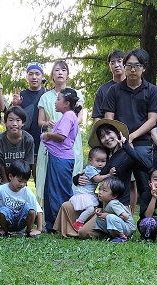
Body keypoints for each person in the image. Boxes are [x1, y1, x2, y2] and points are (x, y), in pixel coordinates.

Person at [101, 48, 157, 203]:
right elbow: (109, 120)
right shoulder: (114, 90)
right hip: (120, 143)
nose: (132, 70)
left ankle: (147, 215)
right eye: (128, 66)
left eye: (137, 65)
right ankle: (117, 213)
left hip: (142, 142)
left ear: (144, 67)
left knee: (144, 182)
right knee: (116, 179)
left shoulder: (152, 90)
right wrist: (122, 141)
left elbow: (152, 120)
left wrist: (132, 137)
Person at [36, 62, 84, 212]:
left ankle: (69, 211)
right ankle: (50, 213)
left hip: (69, 139)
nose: (60, 73)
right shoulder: (45, 97)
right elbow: (40, 121)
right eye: (56, 70)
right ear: (52, 75)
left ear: (68, 74)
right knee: (48, 175)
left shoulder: (76, 94)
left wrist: (64, 125)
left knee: (69, 175)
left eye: (63, 70)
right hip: (51, 141)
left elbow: (80, 118)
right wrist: (48, 124)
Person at [40, 87, 82, 231]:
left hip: (61, 159)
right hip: (57, 158)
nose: (55, 102)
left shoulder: (69, 115)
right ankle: (52, 224)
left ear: (67, 103)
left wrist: (47, 135)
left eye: (58, 99)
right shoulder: (67, 116)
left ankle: (65, 224)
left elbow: (62, 136)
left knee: (59, 192)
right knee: (51, 190)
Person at [0, 160, 42, 237]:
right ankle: (5, 231)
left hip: (21, 220)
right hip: (7, 220)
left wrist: (39, 229)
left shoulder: (26, 191)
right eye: (20, 181)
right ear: (10, 176)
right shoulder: (1, 190)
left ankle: (29, 231)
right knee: (2, 211)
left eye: (25, 182)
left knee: (31, 209)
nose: (22, 184)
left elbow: (38, 210)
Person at [83, 176, 135, 243]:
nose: (100, 192)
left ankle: (123, 237)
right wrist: (101, 209)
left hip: (128, 228)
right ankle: (111, 235)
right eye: (100, 189)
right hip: (121, 225)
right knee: (99, 219)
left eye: (104, 190)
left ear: (114, 196)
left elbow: (125, 216)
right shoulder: (106, 202)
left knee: (110, 217)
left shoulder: (113, 203)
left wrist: (107, 215)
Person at [70, 146, 109, 231]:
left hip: (89, 194)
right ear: (90, 161)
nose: (100, 164)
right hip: (84, 194)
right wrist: (109, 175)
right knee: (90, 209)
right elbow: (97, 179)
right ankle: (79, 222)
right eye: (97, 161)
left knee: (92, 208)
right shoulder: (91, 169)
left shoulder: (96, 169)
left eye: (103, 161)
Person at [12, 63, 45, 155]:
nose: (34, 77)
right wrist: (15, 105)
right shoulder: (20, 95)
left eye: (37, 74)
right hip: (22, 143)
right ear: (27, 76)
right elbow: (10, 119)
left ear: (42, 76)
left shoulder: (47, 95)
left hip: (43, 143)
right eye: (31, 74)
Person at [0, 106, 35, 180]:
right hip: (4, 177)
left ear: (23, 123)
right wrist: (5, 181)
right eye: (11, 120)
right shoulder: (1, 139)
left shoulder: (28, 139)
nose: (14, 124)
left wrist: (23, 180)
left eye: (18, 120)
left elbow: (28, 163)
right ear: (5, 122)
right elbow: (0, 163)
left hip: (21, 178)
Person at [91, 50, 124, 120]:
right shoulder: (103, 90)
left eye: (119, 61)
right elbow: (97, 117)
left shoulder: (132, 86)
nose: (116, 65)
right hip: (108, 125)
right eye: (112, 63)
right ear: (109, 66)